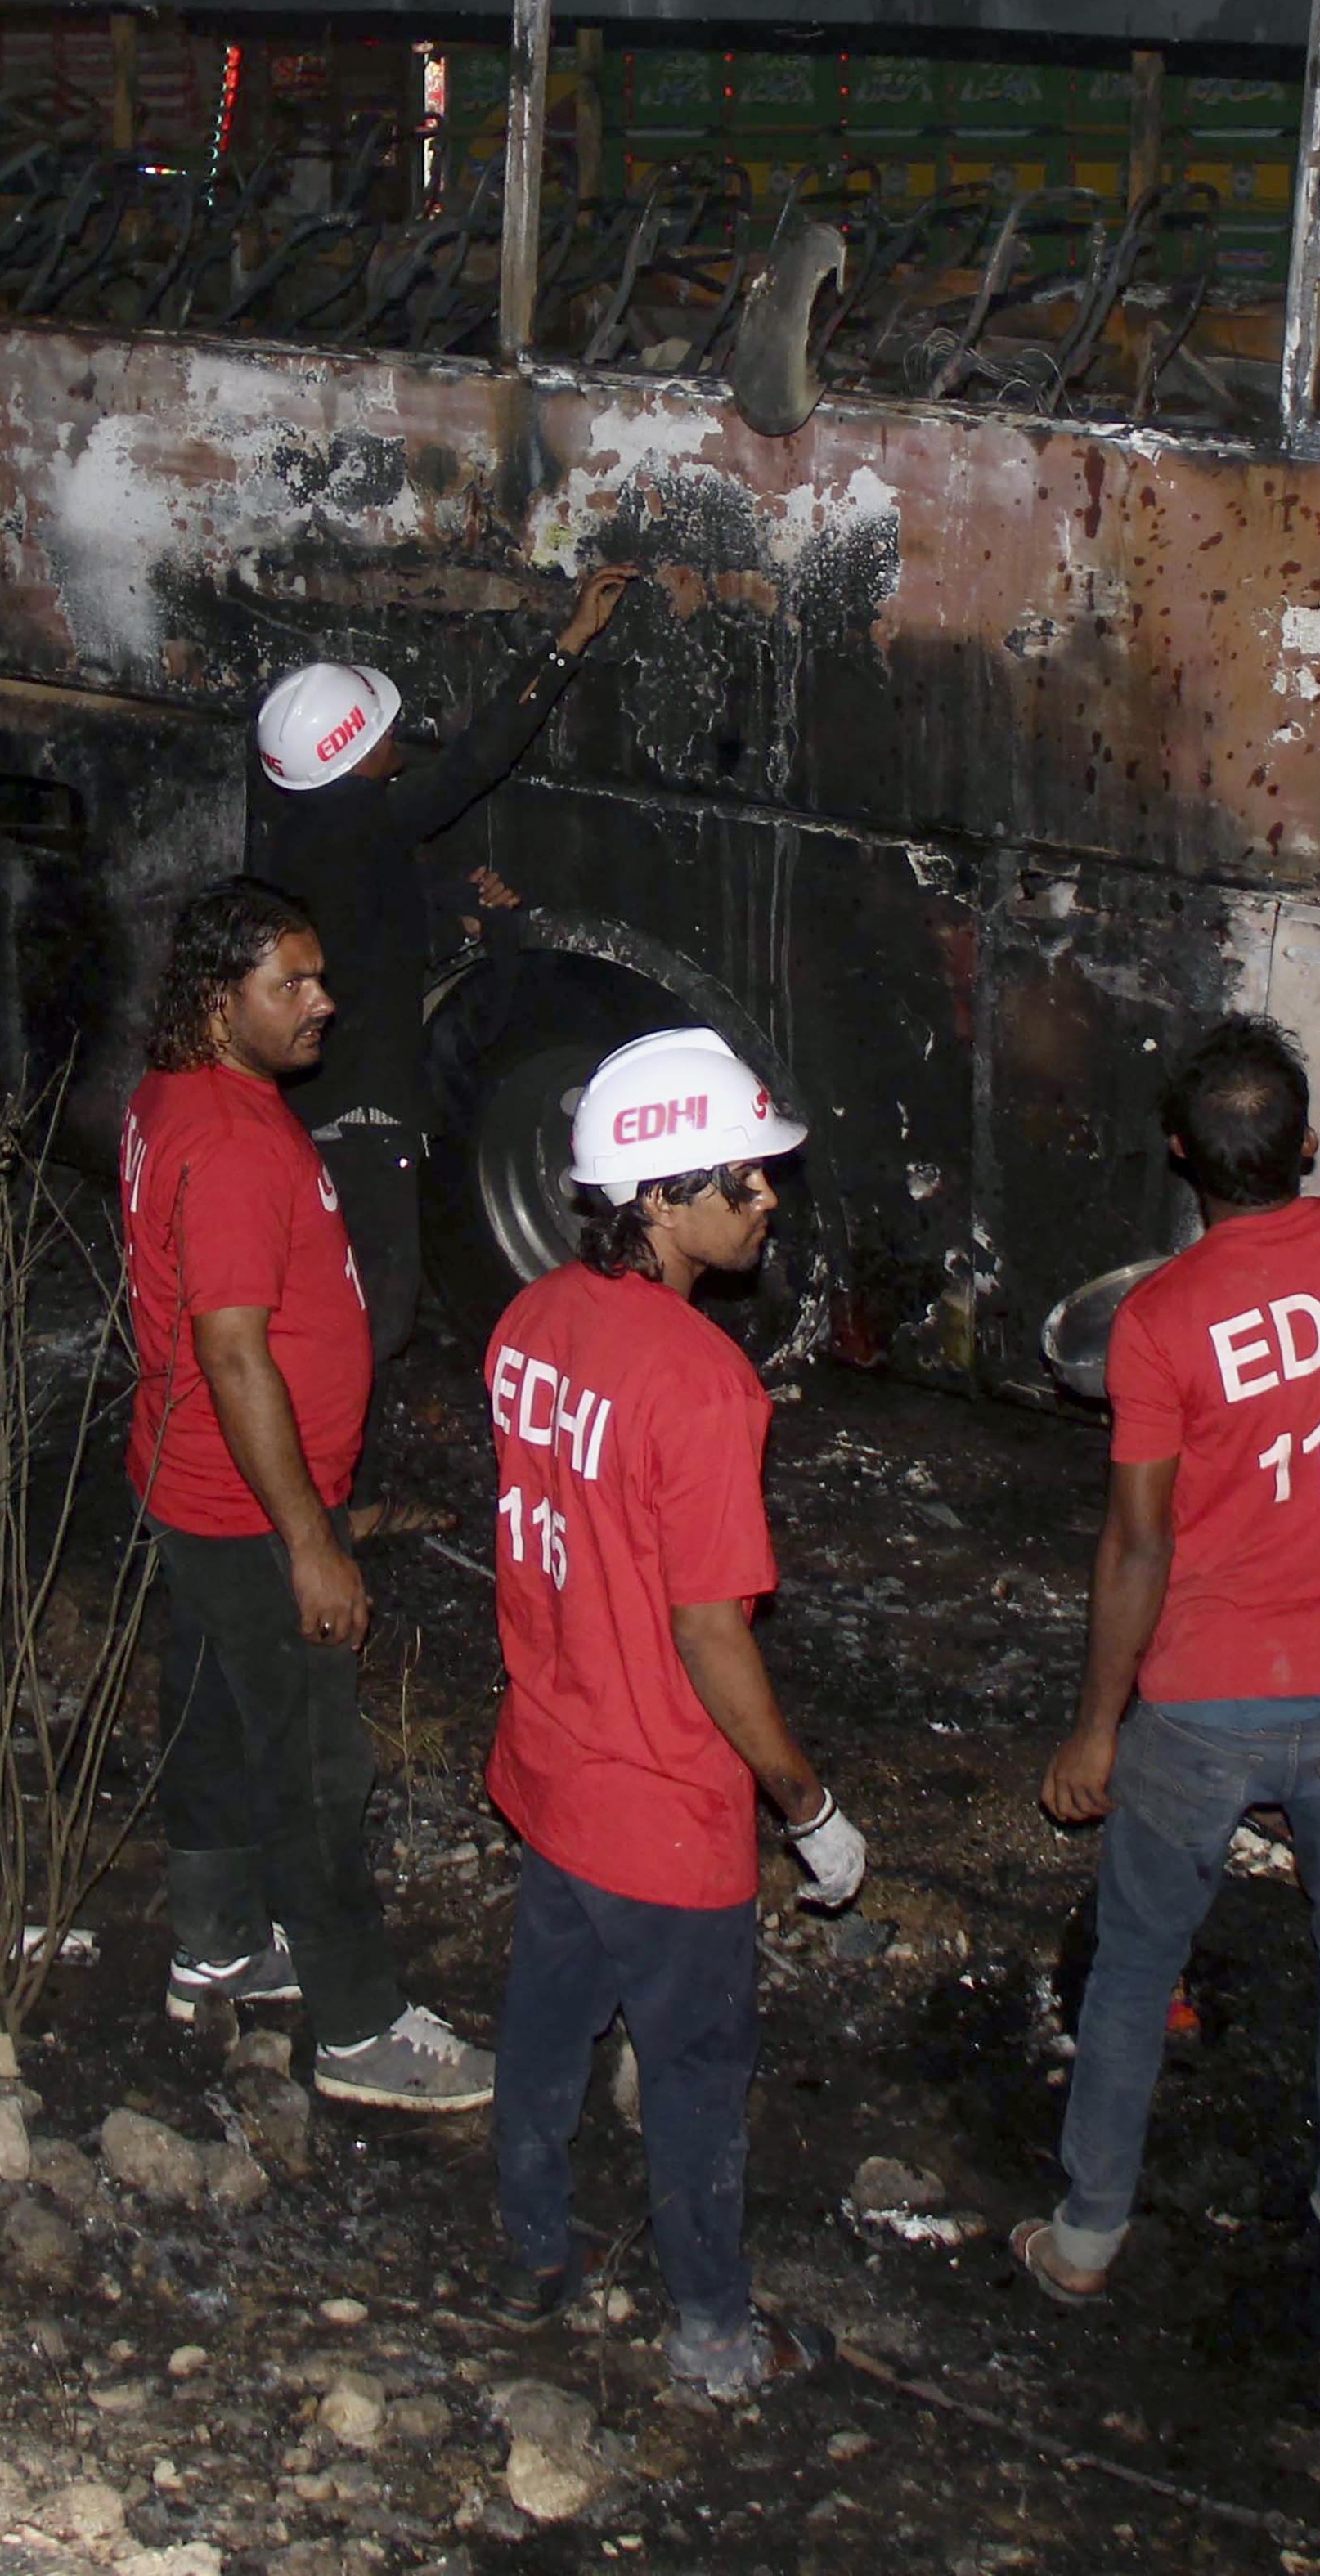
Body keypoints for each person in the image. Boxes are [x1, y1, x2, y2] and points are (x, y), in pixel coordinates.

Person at [1015, 1015, 1320, 2302]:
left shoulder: (1163, 1320)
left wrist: (1097, 1727)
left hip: (1205, 1704)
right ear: (1310, 1143)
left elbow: (1136, 1543)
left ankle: (1087, 2236)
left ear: (1179, 1155)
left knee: (1134, 1970)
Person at [479, 1027, 864, 2399]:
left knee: (545, 2027)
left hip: (553, 1764)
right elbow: (712, 1631)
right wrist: (806, 1804)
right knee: (697, 2074)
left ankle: (529, 2254)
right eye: (745, 1184)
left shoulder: (530, 1323)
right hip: (661, 1806)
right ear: (657, 1195)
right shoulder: (703, 1385)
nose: (768, 1204)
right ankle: (712, 2334)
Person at [119, 877, 492, 2110]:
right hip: (245, 1504)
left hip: (195, 1482)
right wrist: (310, 1545)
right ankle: (358, 2026)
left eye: (319, 973)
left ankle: (217, 1949)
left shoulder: (187, 1093)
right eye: (294, 983)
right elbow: (234, 1349)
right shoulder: (227, 1140)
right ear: (221, 1002)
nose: (323, 1000)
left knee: (218, 1719)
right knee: (319, 1765)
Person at [246, 562, 640, 1366]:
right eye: (381, 725)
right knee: (375, 1312)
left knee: (324, 1281)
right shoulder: (373, 824)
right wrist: (568, 642)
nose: (398, 733)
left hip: (304, 1101)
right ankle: (322, 1478)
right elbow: (474, 763)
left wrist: (452, 901)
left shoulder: (301, 835)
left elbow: (371, 912)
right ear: (351, 754)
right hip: (362, 1113)